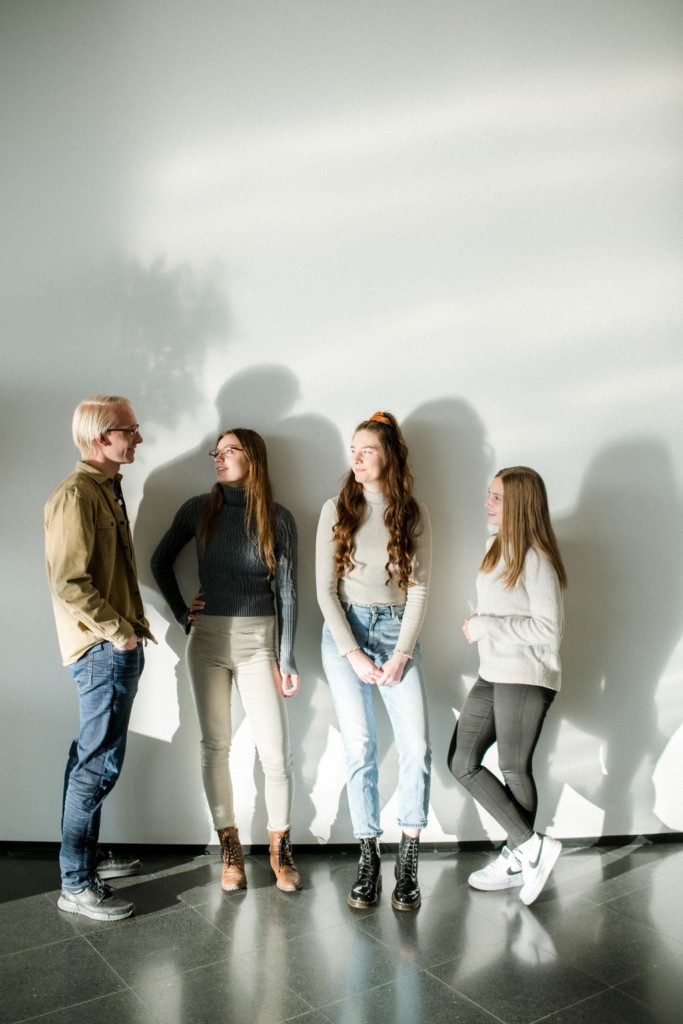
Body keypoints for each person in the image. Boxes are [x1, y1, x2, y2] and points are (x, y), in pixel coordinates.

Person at [151, 428, 302, 892]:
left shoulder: (278, 518)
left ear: (252, 457)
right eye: (215, 453)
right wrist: (182, 614)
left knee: (275, 753)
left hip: (260, 642)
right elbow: (160, 561)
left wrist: (287, 655)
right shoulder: (199, 509)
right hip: (208, 641)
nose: (218, 459)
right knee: (215, 746)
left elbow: (288, 591)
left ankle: (280, 850)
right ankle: (230, 850)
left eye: (228, 451)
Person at [45, 395, 155, 922]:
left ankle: (83, 858)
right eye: (128, 430)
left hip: (111, 648)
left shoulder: (107, 490)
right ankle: (76, 882)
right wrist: (119, 635)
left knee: (94, 761)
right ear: (99, 437)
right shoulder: (76, 495)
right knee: (96, 765)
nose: (137, 438)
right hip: (100, 652)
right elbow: (69, 583)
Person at [316, 411, 432, 911]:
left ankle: (408, 862)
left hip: (397, 629)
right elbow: (324, 590)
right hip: (346, 632)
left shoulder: (413, 513)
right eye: (353, 449)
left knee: (417, 746)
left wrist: (402, 652)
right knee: (361, 747)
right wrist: (353, 654)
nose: (356, 458)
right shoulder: (336, 508)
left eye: (367, 449)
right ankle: (369, 857)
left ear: (390, 456)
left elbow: (420, 587)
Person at [448, 466, 567, 906]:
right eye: (490, 495)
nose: (488, 503)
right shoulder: (495, 548)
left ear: (518, 504)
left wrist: (487, 624)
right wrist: (482, 624)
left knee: (514, 767)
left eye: (496, 497)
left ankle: (522, 854)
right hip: (494, 671)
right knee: (461, 760)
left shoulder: (537, 558)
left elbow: (548, 629)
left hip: (527, 675)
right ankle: (529, 848)